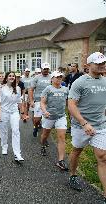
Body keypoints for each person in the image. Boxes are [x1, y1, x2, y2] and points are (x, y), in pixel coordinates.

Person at [68, 52, 106, 203]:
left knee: (103, 157)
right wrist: (84, 123)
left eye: (103, 62)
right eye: (98, 63)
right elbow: (71, 105)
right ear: (88, 65)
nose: (102, 65)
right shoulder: (80, 82)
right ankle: (72, 175)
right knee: (77, 151)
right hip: (80, 126)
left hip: (100, 125)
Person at [40, 71, 69, 171]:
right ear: (52, 79)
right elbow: (43, 103)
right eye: (56, 77)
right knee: (44, 136)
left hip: (61, 116)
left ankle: (61, 160)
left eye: (60, 77)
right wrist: (44, 111)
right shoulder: (48, 89)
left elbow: (68, 104)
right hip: (49, 117)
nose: (59, 79)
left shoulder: (66, 89)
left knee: (61, 137)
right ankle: (43, 145)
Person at [0, 71, 27, 163]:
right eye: (10, 76)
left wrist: (22, 113)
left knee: (16, 131)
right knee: (4, 130)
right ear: (6, 78)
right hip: (4, 112)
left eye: (13, 76)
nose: (12, 77)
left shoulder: (17, 88)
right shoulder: (1, 88)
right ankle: (4, 146)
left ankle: (17, 153)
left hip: (14, 112)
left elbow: (20, 101)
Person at [29, 63, 51, 137]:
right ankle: (35, 127)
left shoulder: (51, 77)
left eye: (47, 69)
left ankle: (45, 136)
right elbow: (31, 90)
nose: (46, 70)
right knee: (37, 120)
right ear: (41, 69)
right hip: (38, 101)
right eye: (44, 69)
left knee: (47, 119)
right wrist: (31, 101)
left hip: (49, 101)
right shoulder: (36, 78)